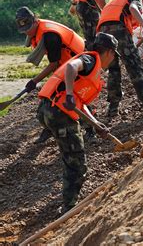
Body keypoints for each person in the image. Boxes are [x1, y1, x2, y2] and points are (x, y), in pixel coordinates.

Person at [37, 32, 119, 214]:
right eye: (114, 55)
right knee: (77, 164)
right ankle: (68, 208)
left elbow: (79, 102)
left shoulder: (92, 64)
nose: (113, 60)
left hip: (48, 110)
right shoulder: (89, 59)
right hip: (58, 112)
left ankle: (68, 202)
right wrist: (67, 94)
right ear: (109, 52)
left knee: (71, 157)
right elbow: (71, 68)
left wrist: (96, 124)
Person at [15, 6, 85, 144]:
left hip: (79, 64)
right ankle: (48, 129)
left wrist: (34, 81)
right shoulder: (38, 31)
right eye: (24, 30)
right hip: (64, 66)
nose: (27, 32)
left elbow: (53, 64)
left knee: (74, 98)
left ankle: (91, 131)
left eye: (29, 27)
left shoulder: (49, 35)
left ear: (35, 20)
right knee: (49, 98)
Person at [96, 0, 143, 117]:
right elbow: (133, 8)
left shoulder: (118, 0)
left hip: (102, 33)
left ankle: (113, 108)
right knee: (134, 66)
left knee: (113, 70)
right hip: (118, 29)